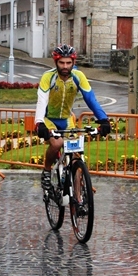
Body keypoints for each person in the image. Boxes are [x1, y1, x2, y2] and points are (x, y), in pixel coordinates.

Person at [34, 45, 111, 192]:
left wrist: (103, 119)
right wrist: (39, 123)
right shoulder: (48, 77)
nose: (65, 66)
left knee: (77, 156)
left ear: (73, 62)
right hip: (49, 119)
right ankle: (47, 170)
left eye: (68, 63)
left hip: (67, 119)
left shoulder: (78, 76)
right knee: (57, 144)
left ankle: (78, 197)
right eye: (62, 63)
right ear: (56, 62)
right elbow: (41, 100)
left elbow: (90, 98)